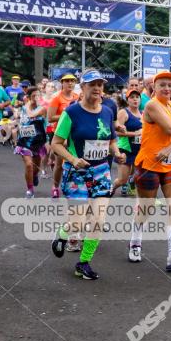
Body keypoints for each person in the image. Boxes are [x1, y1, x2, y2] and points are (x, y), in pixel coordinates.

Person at [49, 70, 125, 280]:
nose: (97, 88)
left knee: (98, 220)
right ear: (82, 88)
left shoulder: (108, 111)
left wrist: (117, 153)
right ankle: (63, 235)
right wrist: (73, 159)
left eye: (100, 84)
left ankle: (83, 263)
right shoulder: (72, 113)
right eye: (92, 84)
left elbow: (111, 140)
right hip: (77, 173)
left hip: (101, 172)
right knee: (78, 222)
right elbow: (55, 144)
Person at [129, 71, 171, 269]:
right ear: (154, 88)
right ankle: (135, 242)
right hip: (149, 164)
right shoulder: (151, 105)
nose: (167, 88)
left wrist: (169, 148)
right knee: (146, 208)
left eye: (170, 85)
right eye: (162, 85)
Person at [47, 74, 79, 198]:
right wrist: (67, 115)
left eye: (72, 81)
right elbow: (50, 118)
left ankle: (73, 186)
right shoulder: (57, 98)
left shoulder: (77, 97)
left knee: (74, 160)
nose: (70, 83)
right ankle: (55, 186)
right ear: (62, 83)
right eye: (67, 81)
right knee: (60, 164)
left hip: (74, 133)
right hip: (60, 133)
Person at [14, 86, 48, 198]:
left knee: (36, 166)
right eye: (34, 96)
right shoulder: (23, 108)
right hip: (25, 141)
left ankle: (34, 176)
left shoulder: (42, 108)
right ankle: (30, 190)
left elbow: (31, 115)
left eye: (38, 95)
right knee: (29, 165)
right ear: (29, 97)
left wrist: (27, 104)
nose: (36, 98)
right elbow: (21, 120)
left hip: (38, 142)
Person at [112, 89, 143, 196]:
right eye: (132, 97)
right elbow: (116, 133)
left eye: (137, 97)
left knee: (141, 174)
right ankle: (110, 189)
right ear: (127, 100)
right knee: (122, 180)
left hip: (139, 150)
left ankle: (141, 195)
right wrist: (135, 134)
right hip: (125, 149)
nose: (135, 99)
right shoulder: (123, 112)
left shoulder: (142, 113)